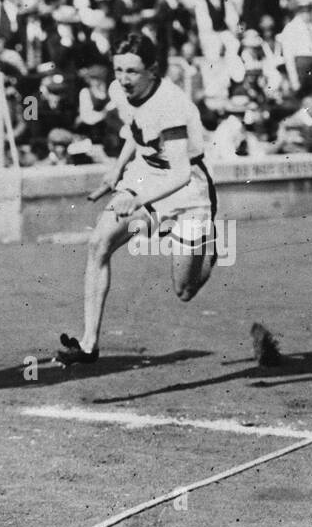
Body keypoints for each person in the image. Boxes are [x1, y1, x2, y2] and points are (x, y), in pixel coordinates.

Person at [57, 34, 219, 364]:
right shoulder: (121, 91)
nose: (123, 78)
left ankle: (209, 247)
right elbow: (135, 128)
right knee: (98, 243)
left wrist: (140, 198)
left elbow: (180, 174)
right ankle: (89, 345)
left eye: (132, 71)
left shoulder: (171, 105)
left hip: (188, 189)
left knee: (184, 291)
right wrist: (117, 171)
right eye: (118, 70)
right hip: (145, 173)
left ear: (153, 71)